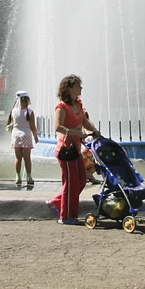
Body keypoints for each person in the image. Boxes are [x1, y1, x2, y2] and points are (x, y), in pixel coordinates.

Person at [47, 75, 101, 224]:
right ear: (69, 88)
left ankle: (57, 202)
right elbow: (58, 127)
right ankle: (66, 216)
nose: (81, 88)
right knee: (70, 184)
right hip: (66, 150)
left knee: (82, 180)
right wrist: (76, 132)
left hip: (76, 149)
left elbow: (83, 120)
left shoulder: (78, 103)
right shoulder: (62, 107)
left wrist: (94, 130)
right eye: (78, 86)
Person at [7, 90, 38, 186]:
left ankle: (18, 176)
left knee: (17, 157)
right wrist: (35, 136)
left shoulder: (13, 111)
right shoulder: (29, 112)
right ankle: (29, 177)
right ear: (27, 100)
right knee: (27, 157)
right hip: (26, 134)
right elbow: (33, 126)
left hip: (16, 134)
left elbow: (12, 123)